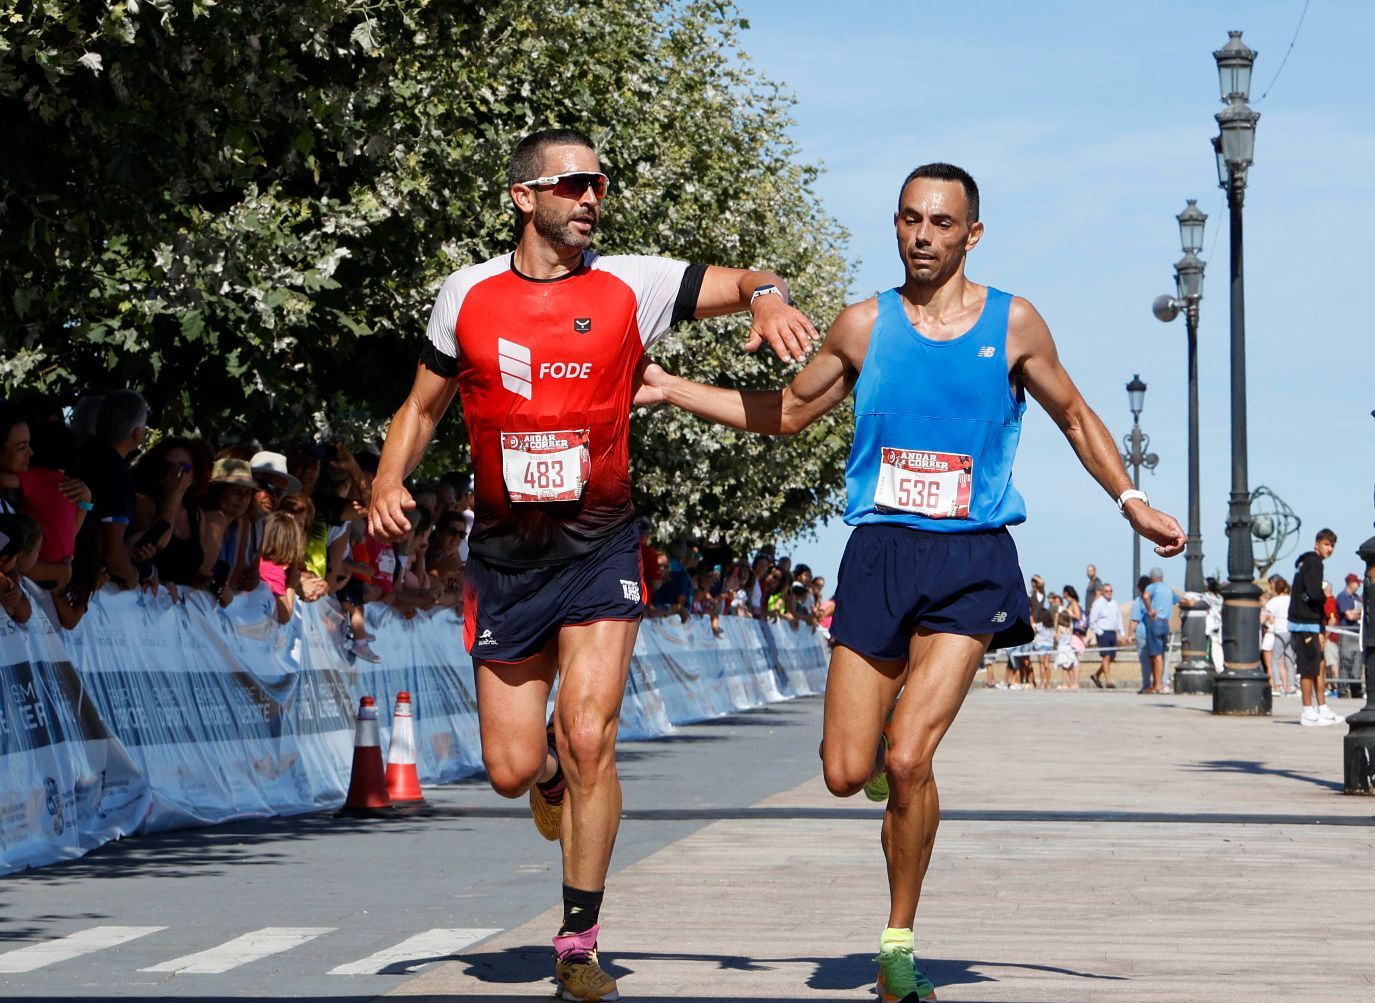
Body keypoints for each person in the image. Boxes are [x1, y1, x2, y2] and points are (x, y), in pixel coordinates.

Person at [635, 161, 1185, 1001]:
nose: (922, 235)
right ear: (896, 226)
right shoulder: (863, 325)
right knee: (846, 769)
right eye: (908, 220)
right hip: (880, 555)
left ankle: (897, 943)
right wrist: (675, 389)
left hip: (970, 558)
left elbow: (1073, 414)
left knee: (909, 751)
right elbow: (786, 413)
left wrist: (1131, 500)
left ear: (972, 233)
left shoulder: (1015, 322)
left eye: (940, 222)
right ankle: (897, 782)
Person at [366, 126, 818, 1001]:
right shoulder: (465, 294)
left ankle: (578, 939)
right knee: (510, 766)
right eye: (572, 185)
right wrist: (389, 475)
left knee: (588, 737)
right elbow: (420, 407)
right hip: (503, 554)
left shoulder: (629, 283)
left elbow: (748, 275)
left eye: (598, 185)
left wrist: (765, 299)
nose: (590, 199)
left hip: (600, 545)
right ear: (523, 197)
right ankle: (541, 780)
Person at [1289, 529, 1340, 726]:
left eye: (1332, 546)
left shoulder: (1308, 562)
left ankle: (1322, 707)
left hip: (1310, 622)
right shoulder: (1314, 563)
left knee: (1318, 665)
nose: (1330, 549)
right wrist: (1324, 594)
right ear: (1317, 543)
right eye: (1326, 544)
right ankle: (1308, 711)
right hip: (1305, 622)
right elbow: (1312, 593)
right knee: (1308, 668)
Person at [1141, 566, 1179, 694]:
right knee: (1160, 654)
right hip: (1165, 624)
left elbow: (1146, 596)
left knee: (1155, 655)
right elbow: (1178, 600)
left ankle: (1157, 684)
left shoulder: (1152, 587)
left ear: (1152, 578)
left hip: (1155, 622)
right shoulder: (1168, 588)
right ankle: (1157, 682)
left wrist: (1150, 610)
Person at [1262, 575, 1295, 697]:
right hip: (1291, 631)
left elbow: (1264, 616)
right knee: (1289, 659)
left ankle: (1277, 685)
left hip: (1280, 631)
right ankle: (1291, 686)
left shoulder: (1273, 602)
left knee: (1275, 660)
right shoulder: (1291, 600)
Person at [1088, 581, 1122, 688]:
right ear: (1103, 592)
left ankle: (1096, 675)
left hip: (1112, 632)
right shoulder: (1098, 603)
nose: (1109, 593)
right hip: (1103, 632)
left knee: (1111, 657)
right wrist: (1100, 632)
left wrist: (1121, 632)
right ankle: (1108, 681)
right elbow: (1092, 620)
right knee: (1106, 656)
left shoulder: (1115, 603)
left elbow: (1118, 618)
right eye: (1106, 591)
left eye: (1110, 591)